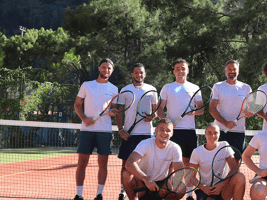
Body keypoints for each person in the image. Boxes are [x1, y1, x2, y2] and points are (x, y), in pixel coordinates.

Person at [73, 58, 120, 200]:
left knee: (103, 165)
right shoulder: (87, 85)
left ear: (111, 71)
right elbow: (77, 104)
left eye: (109, 68)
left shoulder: (114, 89)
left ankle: (99, 194)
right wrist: (84, 118)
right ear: (99, 68)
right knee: (82, 163)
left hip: (104, 132)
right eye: (104, 67)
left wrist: (112, 113)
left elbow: (113, 109)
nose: (106, 70)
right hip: (87, 131)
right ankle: (79, 194)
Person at [157, 58, 205, 200]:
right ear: (174, 71)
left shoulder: (194, 87)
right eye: (177, 68)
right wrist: (166, 123)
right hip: (172, 132)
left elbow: (201, 109)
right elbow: (160, 109)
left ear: (187, 70)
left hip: (189, 131)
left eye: (183, 68)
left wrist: (194, 112)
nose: (180, 70)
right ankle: (171, 191)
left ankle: (189, 194)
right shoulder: (167, 88)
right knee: (171, 163)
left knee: (189, 163)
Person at [117, 63, 159, 200]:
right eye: (136, 72)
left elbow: (156, 111)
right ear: (132, 74)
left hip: (146, 135)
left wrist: (152, 116)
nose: (139, 75)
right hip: (129, 135)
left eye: (141, 72)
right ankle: (123, 191)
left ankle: (143, 192)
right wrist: (120, 129)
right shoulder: (125, 90)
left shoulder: (152, 90)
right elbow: (119, 112)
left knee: (144, 166)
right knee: (125, 165)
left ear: (144, 74)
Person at [125, 119, 184, 200]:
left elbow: (179, 172)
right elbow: (129, 163)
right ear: (156, 130)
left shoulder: (175, 148)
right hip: (142, 181)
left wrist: (169, 182)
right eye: (161, 129)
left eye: (168, 130)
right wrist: (146, 179)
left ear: (172, 133)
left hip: (162, 183)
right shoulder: (145, 143)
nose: (164, 133)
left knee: (182, 187)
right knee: (126, 174)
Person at [188, 123, 246, 200]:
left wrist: (222, 184)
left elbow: (234, 167)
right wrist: (203, 187)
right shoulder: (196, 152)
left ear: (219, 134)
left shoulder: (224, 145)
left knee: (240, 177)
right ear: (205, 134)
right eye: (209, 133)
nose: (213, 136)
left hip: (224, 188)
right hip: (205, 189)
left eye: (215, 133)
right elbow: (191, 177)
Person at [209, 60, 253, 161]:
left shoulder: (246, 88)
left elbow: (250, 108)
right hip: (220, 131)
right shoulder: (218, 86)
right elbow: (212, 109)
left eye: (234, 69)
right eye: (229, 69)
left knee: (236, 163)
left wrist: (250, 113)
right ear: (225, 71)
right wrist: (225, 123)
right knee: (218, 163)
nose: (232, 71)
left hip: (239, 132)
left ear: (238, 71)